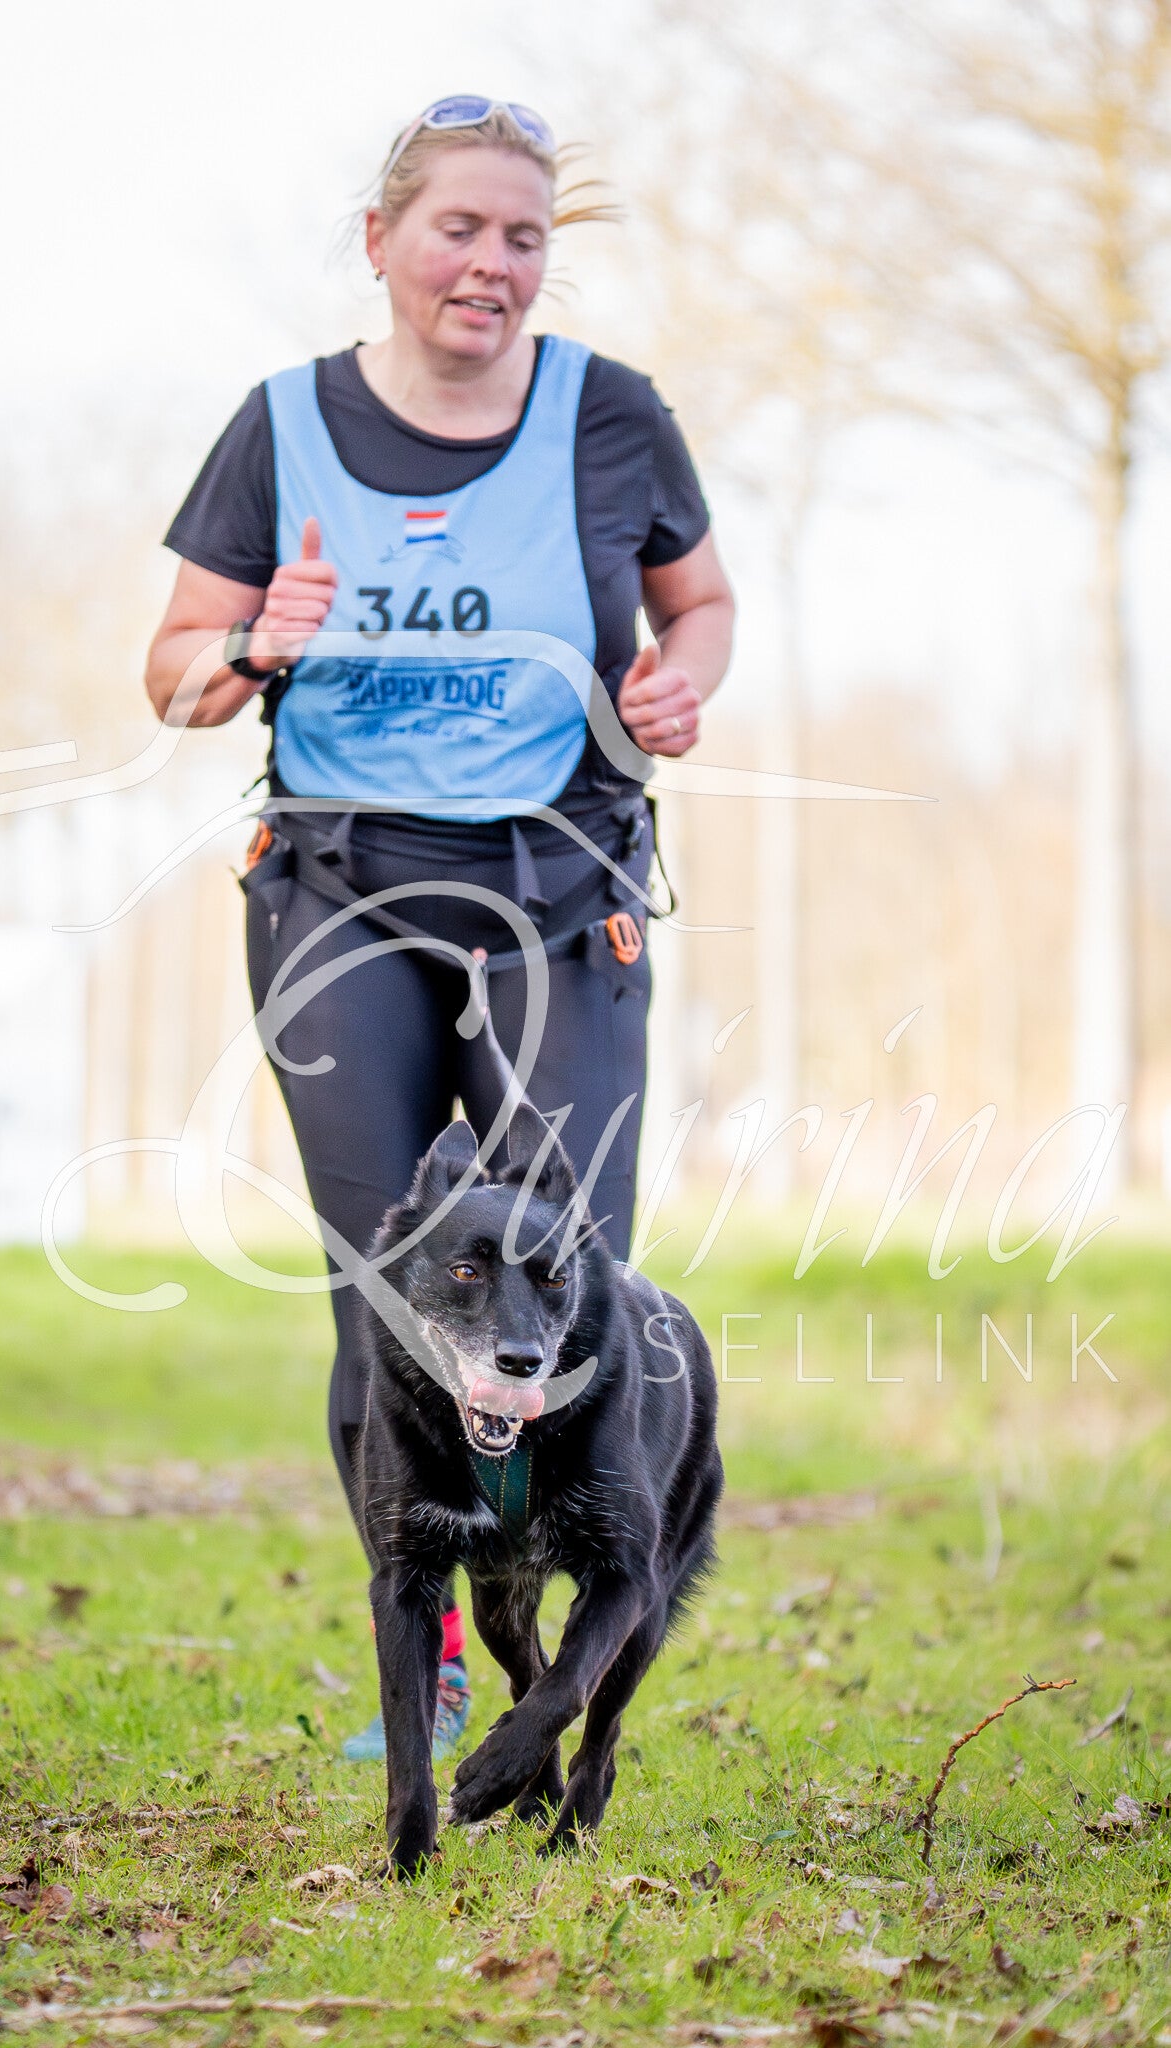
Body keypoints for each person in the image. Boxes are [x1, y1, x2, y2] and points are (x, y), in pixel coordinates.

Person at [145, 97, 736, 1761]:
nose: (491, 263)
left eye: (522, 237)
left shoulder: (610, 415)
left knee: (562, 1280)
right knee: (390, 1300)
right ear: (382, 241)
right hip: (342, 897)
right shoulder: (280, 425)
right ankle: (438, 1664)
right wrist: (255, 642)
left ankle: (554, 1643)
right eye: (458, 228)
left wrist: (678, 681)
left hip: (559, 891)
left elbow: (699, 598)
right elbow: (173, 677)